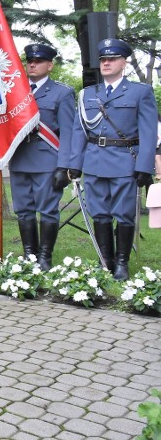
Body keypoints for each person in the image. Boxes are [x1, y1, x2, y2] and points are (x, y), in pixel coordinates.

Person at [67, 38, 158, 280]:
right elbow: (79, 131)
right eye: (103, 60)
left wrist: (144, 166)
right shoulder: (87, 94)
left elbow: (149, 132)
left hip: (124, 161)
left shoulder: (141, 92)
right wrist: (74, 164)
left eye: (112, 59)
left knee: (124, 213)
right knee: (99, 213)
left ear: (123, 62)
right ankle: (104, 260)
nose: (106, 63)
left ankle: (122, 264)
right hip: (94, 161)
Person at [8, 44, 76, 270]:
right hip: (19, 160)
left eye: (38, 61)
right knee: (23, 210)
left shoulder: (62, 93)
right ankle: (30, 255)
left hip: (47, 160)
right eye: (29, 61)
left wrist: (64, 166)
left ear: (50, 65)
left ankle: (45, 257)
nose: (33, 65)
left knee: (47, 210)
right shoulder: (14, 91)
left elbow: (68, 132)